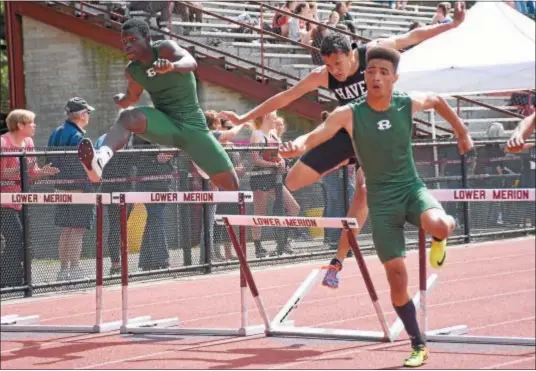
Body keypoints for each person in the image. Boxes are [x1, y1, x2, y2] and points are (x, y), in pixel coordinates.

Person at [218, 2, 466, 288]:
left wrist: (452, 25)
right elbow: (286, 97)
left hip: (376, 135)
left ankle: (337, 261)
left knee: (362, 192)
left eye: (339, 64)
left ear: (351, 54)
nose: (335, 71)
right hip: (346, 131)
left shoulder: (372, 52)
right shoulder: (322, 76)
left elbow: (412, 37)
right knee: (294, 181)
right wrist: (245, 117)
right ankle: (343, 162)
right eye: (328, 65)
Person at [279, 46, 474, 367]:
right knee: (397, 280)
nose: (376, 77)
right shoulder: (350, 113)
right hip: (381, 204)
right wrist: (296, 145)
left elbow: (437, 99)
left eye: (384, 72)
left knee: (438, 224)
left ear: (394, 78)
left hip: (411, 189)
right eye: (371, 72)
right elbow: (316, 135)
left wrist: (462, 130)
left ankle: (441, 236)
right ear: (365, 76)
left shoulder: (405, 103)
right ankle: (418, 344)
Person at [76, 19, 239, 194]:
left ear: (147, 38)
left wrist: (172, 66)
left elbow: (191, 62)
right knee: (127, 117)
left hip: (193, 126)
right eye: (124, 42)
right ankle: (100, 159)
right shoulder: (133, 71)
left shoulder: (165, 49)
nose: (128, 46)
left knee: (231, 184)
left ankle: (200, 162)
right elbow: (132, 97)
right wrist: (121, 100)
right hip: (166, 123)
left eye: (132, 40)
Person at [0, 110, 59, 288]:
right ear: (20, 125)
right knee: (15, 238)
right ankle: (8, 279)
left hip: (23, 199)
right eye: (31, 122)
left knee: (25, 241)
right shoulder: (3, 143)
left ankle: (17, 279)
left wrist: (43, 172)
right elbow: (3, 172)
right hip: (4, 201)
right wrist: (24, 170)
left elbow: (31, 173)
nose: (35, 126)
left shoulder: (29, 142)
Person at [49, 97, 96, 281]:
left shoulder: (56, 132)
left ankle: (63, 270)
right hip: (78, 189)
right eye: (88, 112)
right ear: (81, 115)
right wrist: (86, 186)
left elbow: (50, 160)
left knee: (67, 229)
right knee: (77, 229)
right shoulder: (78, 137)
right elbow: (82, 165)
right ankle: (75, 269)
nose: (89, 116)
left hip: (60, 187)